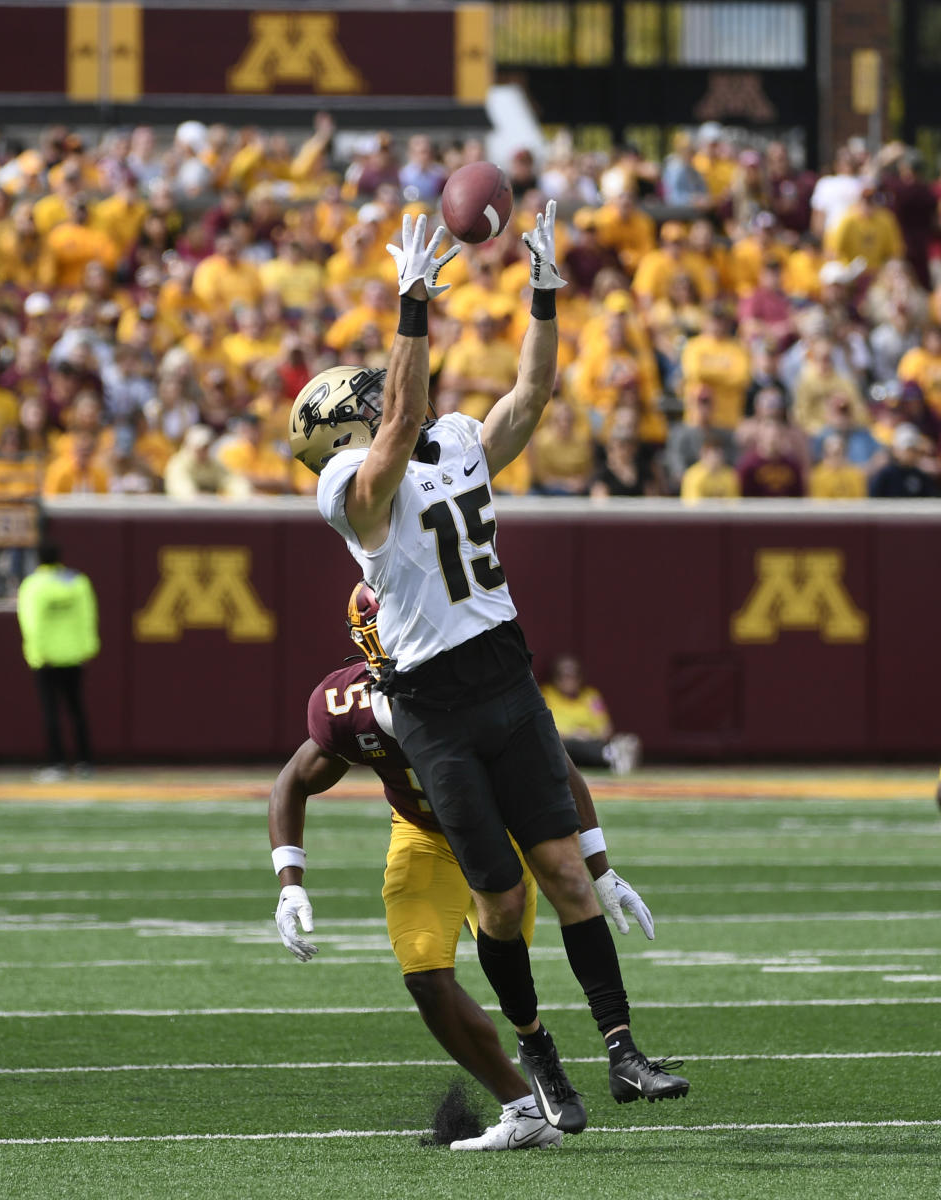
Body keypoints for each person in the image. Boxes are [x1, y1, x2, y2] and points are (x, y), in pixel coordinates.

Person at [286, 205, 689, 1136]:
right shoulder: (346, 489)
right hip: (434, 704)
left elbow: (531, 396)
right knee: (501, 903)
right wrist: (412, 307)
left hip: (506, 674)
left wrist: (544, 294)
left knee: (565, 874)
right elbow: (391, 434)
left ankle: (623, 1048)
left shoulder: (459, 440)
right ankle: (538, 1047)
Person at [270, 582, 656, 1151]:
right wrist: (289, 883)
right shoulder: (348, 706)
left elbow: (559, 770)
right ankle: (522, 1108)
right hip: (425, 838)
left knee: (509, 966)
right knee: (424, 975)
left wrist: (601, 868)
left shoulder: (482, 679)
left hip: (500, 838)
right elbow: (294, 780)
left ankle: (571, 1053)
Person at [16, 541, 99, 782]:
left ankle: (57, 763)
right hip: (74, 654)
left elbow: (31, 622)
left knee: (51, 711)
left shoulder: (33, 585)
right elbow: (88, 616)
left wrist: (36, 653)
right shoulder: (77, 582)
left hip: (46, 657)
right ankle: (86, 762)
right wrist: (87, 648)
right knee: (77, 710)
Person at [540, 654, 640, 773]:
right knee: (567, 746)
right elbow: (544, 728)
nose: (568, 680)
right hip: (563, 743)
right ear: (555, 677)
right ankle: (611, 755)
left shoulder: (591, 696)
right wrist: (573, 734)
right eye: (563, 676)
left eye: (573, 676)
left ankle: (612, 754)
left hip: (590, 741)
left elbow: (606, 729)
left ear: (580, 677)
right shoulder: (546, 695)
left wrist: (589, 735)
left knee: (589, 747)